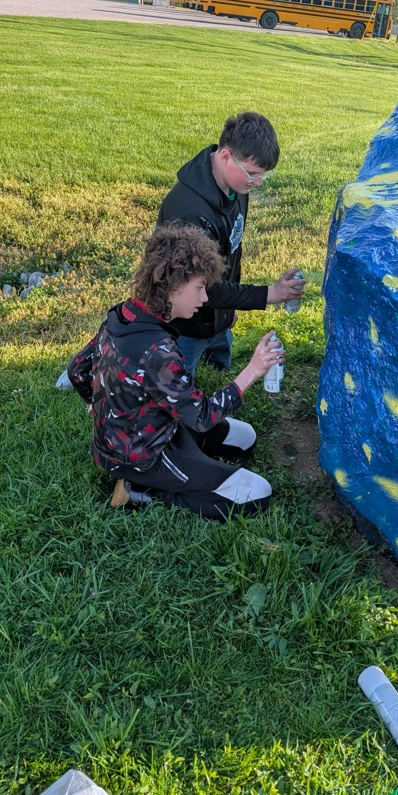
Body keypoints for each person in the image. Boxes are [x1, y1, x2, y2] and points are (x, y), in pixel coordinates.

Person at [67, 223, 284, 519]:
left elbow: (77, 370)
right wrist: (253, 370)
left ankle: (185, 463)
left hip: (155, 430)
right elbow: (202, 416)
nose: (204, 299)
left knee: (245, 437)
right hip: (143, 456)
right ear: (173, 285)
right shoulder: (156, 351)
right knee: (256, 494)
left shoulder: (124, 314)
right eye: (199, 288)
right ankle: (141, 491)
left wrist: (99, 408)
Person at [156, 111, 305, 374]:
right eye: (252, 173)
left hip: (217, 317)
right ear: (226, 157)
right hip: (185, 324)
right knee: (179, 387)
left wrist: (228, 309)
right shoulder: (189, 213)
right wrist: (270, 293)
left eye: (263, 175)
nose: (257, 183)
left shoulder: (237, 187)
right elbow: (204, 289)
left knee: (218, 370)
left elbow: (232, 250)